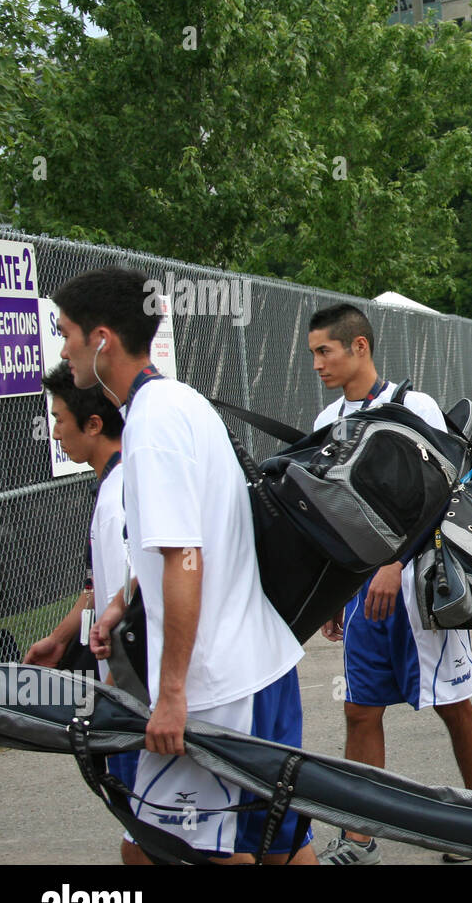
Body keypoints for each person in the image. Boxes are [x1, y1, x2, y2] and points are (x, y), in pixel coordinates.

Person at [61, 266, 313, 865]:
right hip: (258, 667)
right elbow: (187, 545)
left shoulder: (152, 423)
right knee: (274, 840)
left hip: (213, 687)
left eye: (66, 331)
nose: (62, 347)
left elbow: (184, 559)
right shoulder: (179, 400)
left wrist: (170, 691)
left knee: (175, 850)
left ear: (102, 339)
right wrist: (126, 599)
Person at [308, 303, 472, 865]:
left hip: (419, 588)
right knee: (360, 710)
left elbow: (443, 492)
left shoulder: (414, 406)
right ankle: (360, 837)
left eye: (324, 351)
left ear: (359, 346)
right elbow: (330, 514)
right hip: (361, 594)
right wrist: (333, 591)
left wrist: (393, 563)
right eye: (313, 353)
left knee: (452, 704)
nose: (316, 363)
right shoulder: (326, 422)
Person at [27, 361, 142, 864]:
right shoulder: (110, 485)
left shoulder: (122, 493)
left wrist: (123, 685)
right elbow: (103, 588)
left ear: (93, 424)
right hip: (132, 696)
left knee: (146, 845)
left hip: (141, 699)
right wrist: (60, 636)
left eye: (58, 418)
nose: (54, 431)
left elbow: (139, 596)